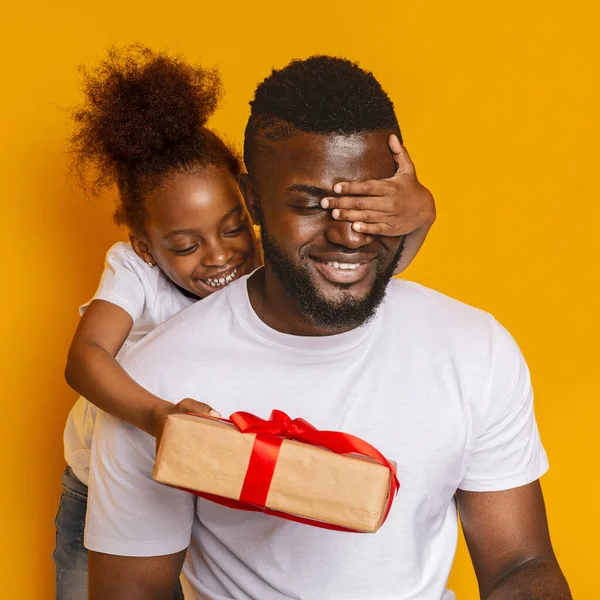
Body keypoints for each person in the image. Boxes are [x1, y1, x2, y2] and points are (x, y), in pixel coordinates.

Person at [84, 55, 571, 600]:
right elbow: (133, 592)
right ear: (252, 202)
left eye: (372, 203)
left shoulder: (474, 349)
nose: (352, 235)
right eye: (312, 204)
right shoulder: (157, 381)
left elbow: (520, 563)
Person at [54, 47, 435, 600]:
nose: (217, 257)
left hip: (208, 467)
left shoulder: (267, 262)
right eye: (184, 245)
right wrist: (159, 417)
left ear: (253, 205)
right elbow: (85, 358)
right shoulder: (132, 271)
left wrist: (420, 216)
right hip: (102, 479)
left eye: (234, 229)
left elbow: (355, 282)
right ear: (145, 246)